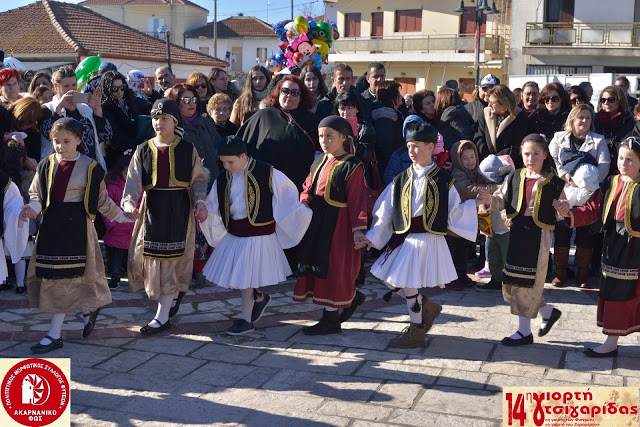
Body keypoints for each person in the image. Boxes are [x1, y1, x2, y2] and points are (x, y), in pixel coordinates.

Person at [358, 122, 479, 348]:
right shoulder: (402, 178)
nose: (411, 151)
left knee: (407, 282)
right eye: (409, 146)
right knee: (387, 278)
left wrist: (474, 205)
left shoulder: (443, 180)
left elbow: (454, 211)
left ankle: (417, 331)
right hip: (404, 237)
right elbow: (385, 210)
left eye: (417, 146)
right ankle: (426, 307)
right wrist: (372, 236)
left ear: (431, 147)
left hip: (427, 238)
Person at [22, 117, 131, 353]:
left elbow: (102, 201)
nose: (61, 146)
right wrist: (32, 208)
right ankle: (88, 310)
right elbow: (36, 194)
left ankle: (54, 334)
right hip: (51, 228)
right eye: (56, 141)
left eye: (66, 141)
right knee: (57, 279)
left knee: (69, 278)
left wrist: (122, 217)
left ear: (79, 140)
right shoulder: (46, 165)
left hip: (78, 229)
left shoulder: (91, 168)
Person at [200, 136, 312, 335]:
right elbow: (214, 203)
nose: (226, 166)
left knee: (245, 278)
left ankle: (245, 320)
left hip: (258, 234)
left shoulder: (266, 172)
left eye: (230, 162)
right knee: (237, 276)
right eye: (223, 162)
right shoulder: (224, 177)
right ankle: (258, 298)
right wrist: (205, 212)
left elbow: (285, 194)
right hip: (235, 233)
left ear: (243, 155)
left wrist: (300, 210)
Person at [122, 99, 208, 334]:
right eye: (155, 118)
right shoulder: (142, 150)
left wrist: (200, 202)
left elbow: (199, 180)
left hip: (179, 210)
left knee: (172, 261)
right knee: (150, 259)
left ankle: (161, 317)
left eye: (164, 118)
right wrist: (129, 202)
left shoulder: (187, 149)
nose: (159, 123)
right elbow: (132, 182)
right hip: (152, 211)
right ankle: (168, 304)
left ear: (174, 121)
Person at [554, 136, 640, 357]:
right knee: (615, 292)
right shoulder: (611, 182)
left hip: (636, 248)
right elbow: (593, 209)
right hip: (614, 245)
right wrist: (570, 213)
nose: (623, 163)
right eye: (621, 158)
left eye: (630, 159)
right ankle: (611, 343)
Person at [478, 134, 565, 346]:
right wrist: (491, 200)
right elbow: (503, 201)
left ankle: (524, 332)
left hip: (539, 235)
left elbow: (562, 210)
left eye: (536, 153)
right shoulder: (515, 176)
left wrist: (563, 209)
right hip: (517, 232)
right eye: (526, 154)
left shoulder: (554, 183)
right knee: (514, 281)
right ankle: (547, 311)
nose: (531, 158)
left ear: (545, 155)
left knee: (529, 282)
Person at [293, 116, 368, 335]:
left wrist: (358, 231)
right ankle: (346, 302)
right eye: (320, 136)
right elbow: (307, 185)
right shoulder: (319, 160)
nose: (324, 140)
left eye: (329, 136)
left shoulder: (352, 165)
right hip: (317, 223)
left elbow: (357, 200)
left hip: (338, 227)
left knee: (334, 269)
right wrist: (304, 201)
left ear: (343, 137)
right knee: (318, 266)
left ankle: (331, 319)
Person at [548, 104, 610, 288]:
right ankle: (561, 272)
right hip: (564, 189)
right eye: (580, 117)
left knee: (585, 232)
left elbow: (604, 166)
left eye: (587, 118)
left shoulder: (598, 140)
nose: (584, 121)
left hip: (587, 193)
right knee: (562, 230)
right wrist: (567, 177)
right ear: (572, 120)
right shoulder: (559, 138)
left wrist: (585, 182)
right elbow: (553, 160)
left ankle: (582, 274)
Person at [168, 84, 221, 287]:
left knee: (208, 228)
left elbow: (217, 144)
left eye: (193, 100)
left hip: (210, 182)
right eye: (185, 100)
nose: (191, 104)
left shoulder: (204, 122)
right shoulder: (173, 126)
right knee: (190, 230)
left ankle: (204, 269)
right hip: (185, 186)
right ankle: (188, 270)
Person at [237, 75, 319, 193]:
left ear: (301, 97)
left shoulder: (311, 120)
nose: (289, 95)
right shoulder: (263, 116)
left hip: (300, 185)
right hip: (267, 184)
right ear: (278, 93)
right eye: (285, 91)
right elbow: (242, 145)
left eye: (294, 92)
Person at [40, 66, 110, 170]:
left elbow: (105, 136)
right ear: (56, 86)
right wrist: (59, 107)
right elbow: (49, 134)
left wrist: (97, 109)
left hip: (90, 168)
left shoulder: (85, 109)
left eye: (74, 85)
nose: (71, 89)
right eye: (66, 86)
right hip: (61, 169)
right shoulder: (48, 109)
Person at [447, 139, 494, 290]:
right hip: (455, 220)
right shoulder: (457, 173)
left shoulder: (476, 172)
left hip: (465, 220)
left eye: (472, 157)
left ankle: (461, 275)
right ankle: (450, 277)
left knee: (463, 249)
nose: (470, 161)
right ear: (457, 159)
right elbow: (468, 189)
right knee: (454, 250)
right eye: (465, 158)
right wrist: (492, 188)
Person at [474, 154, 515, 292]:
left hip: (506, 228)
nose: (484, 180)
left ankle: (510, 282)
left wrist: (509, 216)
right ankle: (496, 279)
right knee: (493, 256)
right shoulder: (490, 185)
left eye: (485, 177)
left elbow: (509, 202)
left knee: (507, 257)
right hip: (492, 228)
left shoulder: (509, 182)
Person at [98, 70, 151, 170]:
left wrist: (151, 95)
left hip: (135, 155)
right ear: (107, 89)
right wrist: (142, 143)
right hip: (115, 159)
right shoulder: (104, 108)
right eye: (114, 89)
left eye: (122, 88)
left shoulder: (131, 100)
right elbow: (115, 138)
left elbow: (153, 109)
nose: (119, 91)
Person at [0, 140, 32, 294]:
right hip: (17, 219)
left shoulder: (7, 180)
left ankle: (8, 282)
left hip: (15, 218)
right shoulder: (15, 179)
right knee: (20, 249)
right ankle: (19, 284)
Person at [102, 151, 137, 290]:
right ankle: (115, 277)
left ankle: (134, 277)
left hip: (133, 230)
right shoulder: (112, 186)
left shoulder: (137, 188)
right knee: (115, 257)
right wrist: (112, 226)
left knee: (132, 257)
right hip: (116, 230)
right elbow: (106, 209)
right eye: (126, 172)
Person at [474, 84, 529, 168]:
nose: (489, 105)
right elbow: (479, 138)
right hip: (486, 164)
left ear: (504, 102)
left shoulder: (520, 117)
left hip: (510, 165)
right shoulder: (485, 114)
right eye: (489, 101)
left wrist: (498, 158)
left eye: (492, 102)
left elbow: (518, 145)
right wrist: (488, 159)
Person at [594, 85, 634, 176]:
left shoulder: (629, 121)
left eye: (611, 100)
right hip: (598, 169)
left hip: (622, 169)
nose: (606, 103)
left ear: (620, 101)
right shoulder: (595, 120)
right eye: (603, 100)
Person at [371, 81, 405, 178]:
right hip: (389, 170)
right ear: (392, 97)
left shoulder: (393, 114)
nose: (401, 96)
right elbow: (385, 148)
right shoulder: (385, 118)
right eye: (398, 93)